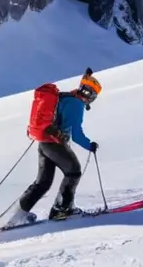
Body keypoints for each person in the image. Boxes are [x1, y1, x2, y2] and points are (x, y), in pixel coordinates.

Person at [6, 68, 102, 227]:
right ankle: (62, 210)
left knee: (42, 182)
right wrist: (89, 145)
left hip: (44, 142)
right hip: (55, 144)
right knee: (73, 172)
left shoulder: (65, 97)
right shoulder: (76, 104)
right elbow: (76, 134)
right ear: (90, 95)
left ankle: (17, 216)